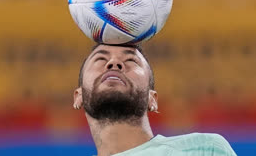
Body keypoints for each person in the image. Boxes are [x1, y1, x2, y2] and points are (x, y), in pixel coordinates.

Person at [73, 43, 237, 156]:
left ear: (152, 98)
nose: (114, 63)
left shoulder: (204, 150)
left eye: (131, 60)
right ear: (78, 96)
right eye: (100, 59)